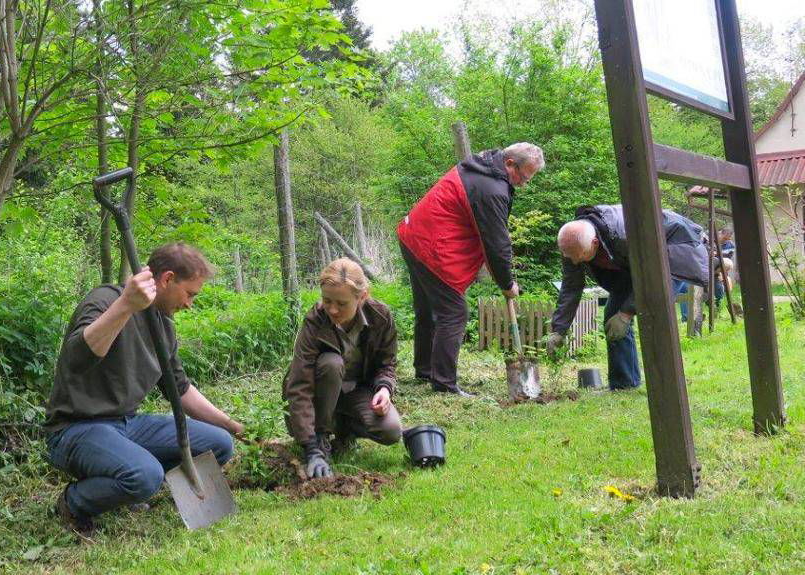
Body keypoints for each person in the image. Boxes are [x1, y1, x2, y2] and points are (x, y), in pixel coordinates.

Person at [44, 243, 244, 536]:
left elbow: (180, 389)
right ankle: (74, 502)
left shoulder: (163, 325)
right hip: (75, 429)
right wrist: (126, 305)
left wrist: (231, 425)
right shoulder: (106, 300)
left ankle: (131, 483)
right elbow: (76, 359)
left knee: (220, 443)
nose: (190, 304)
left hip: (128, 424)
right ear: (167, 279)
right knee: (145, 475)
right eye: (190, 294)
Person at [397, 142, 545, 396]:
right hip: (432, 245)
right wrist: (507, 284)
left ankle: (425, 370)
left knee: (428, 310)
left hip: (413, 235)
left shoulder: (484, 165)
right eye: (523, 177)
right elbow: (496, 244)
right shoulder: (492, 189)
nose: (523, 184)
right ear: (510, 163)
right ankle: (444, 383)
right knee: (454, 312)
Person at [548, 205, 709, 390]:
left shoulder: (627, 236)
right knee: (612, 318)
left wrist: (626, 313)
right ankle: (624, 384)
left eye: (580, 257)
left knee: (653, 314)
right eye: (571, 258)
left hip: (676, 253)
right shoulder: (572, 245)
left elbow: (652, 276)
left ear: (594, 243)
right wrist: (558, 330)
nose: (575, 262)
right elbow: (571, 286)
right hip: (631, 266)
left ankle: (666, 384)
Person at [283, 258, 402, 480]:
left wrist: (384, 389)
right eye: (326, 300)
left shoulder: (380, 316)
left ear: (362, 297)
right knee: (331, 362)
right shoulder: (315, 321)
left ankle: (344, 431)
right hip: (317, 395)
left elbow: (387, 364)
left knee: (391, 430)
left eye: (342, 303)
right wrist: (311, 448)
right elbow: (299, 385)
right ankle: (320, 437)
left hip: (356, 391)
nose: (333, 309)